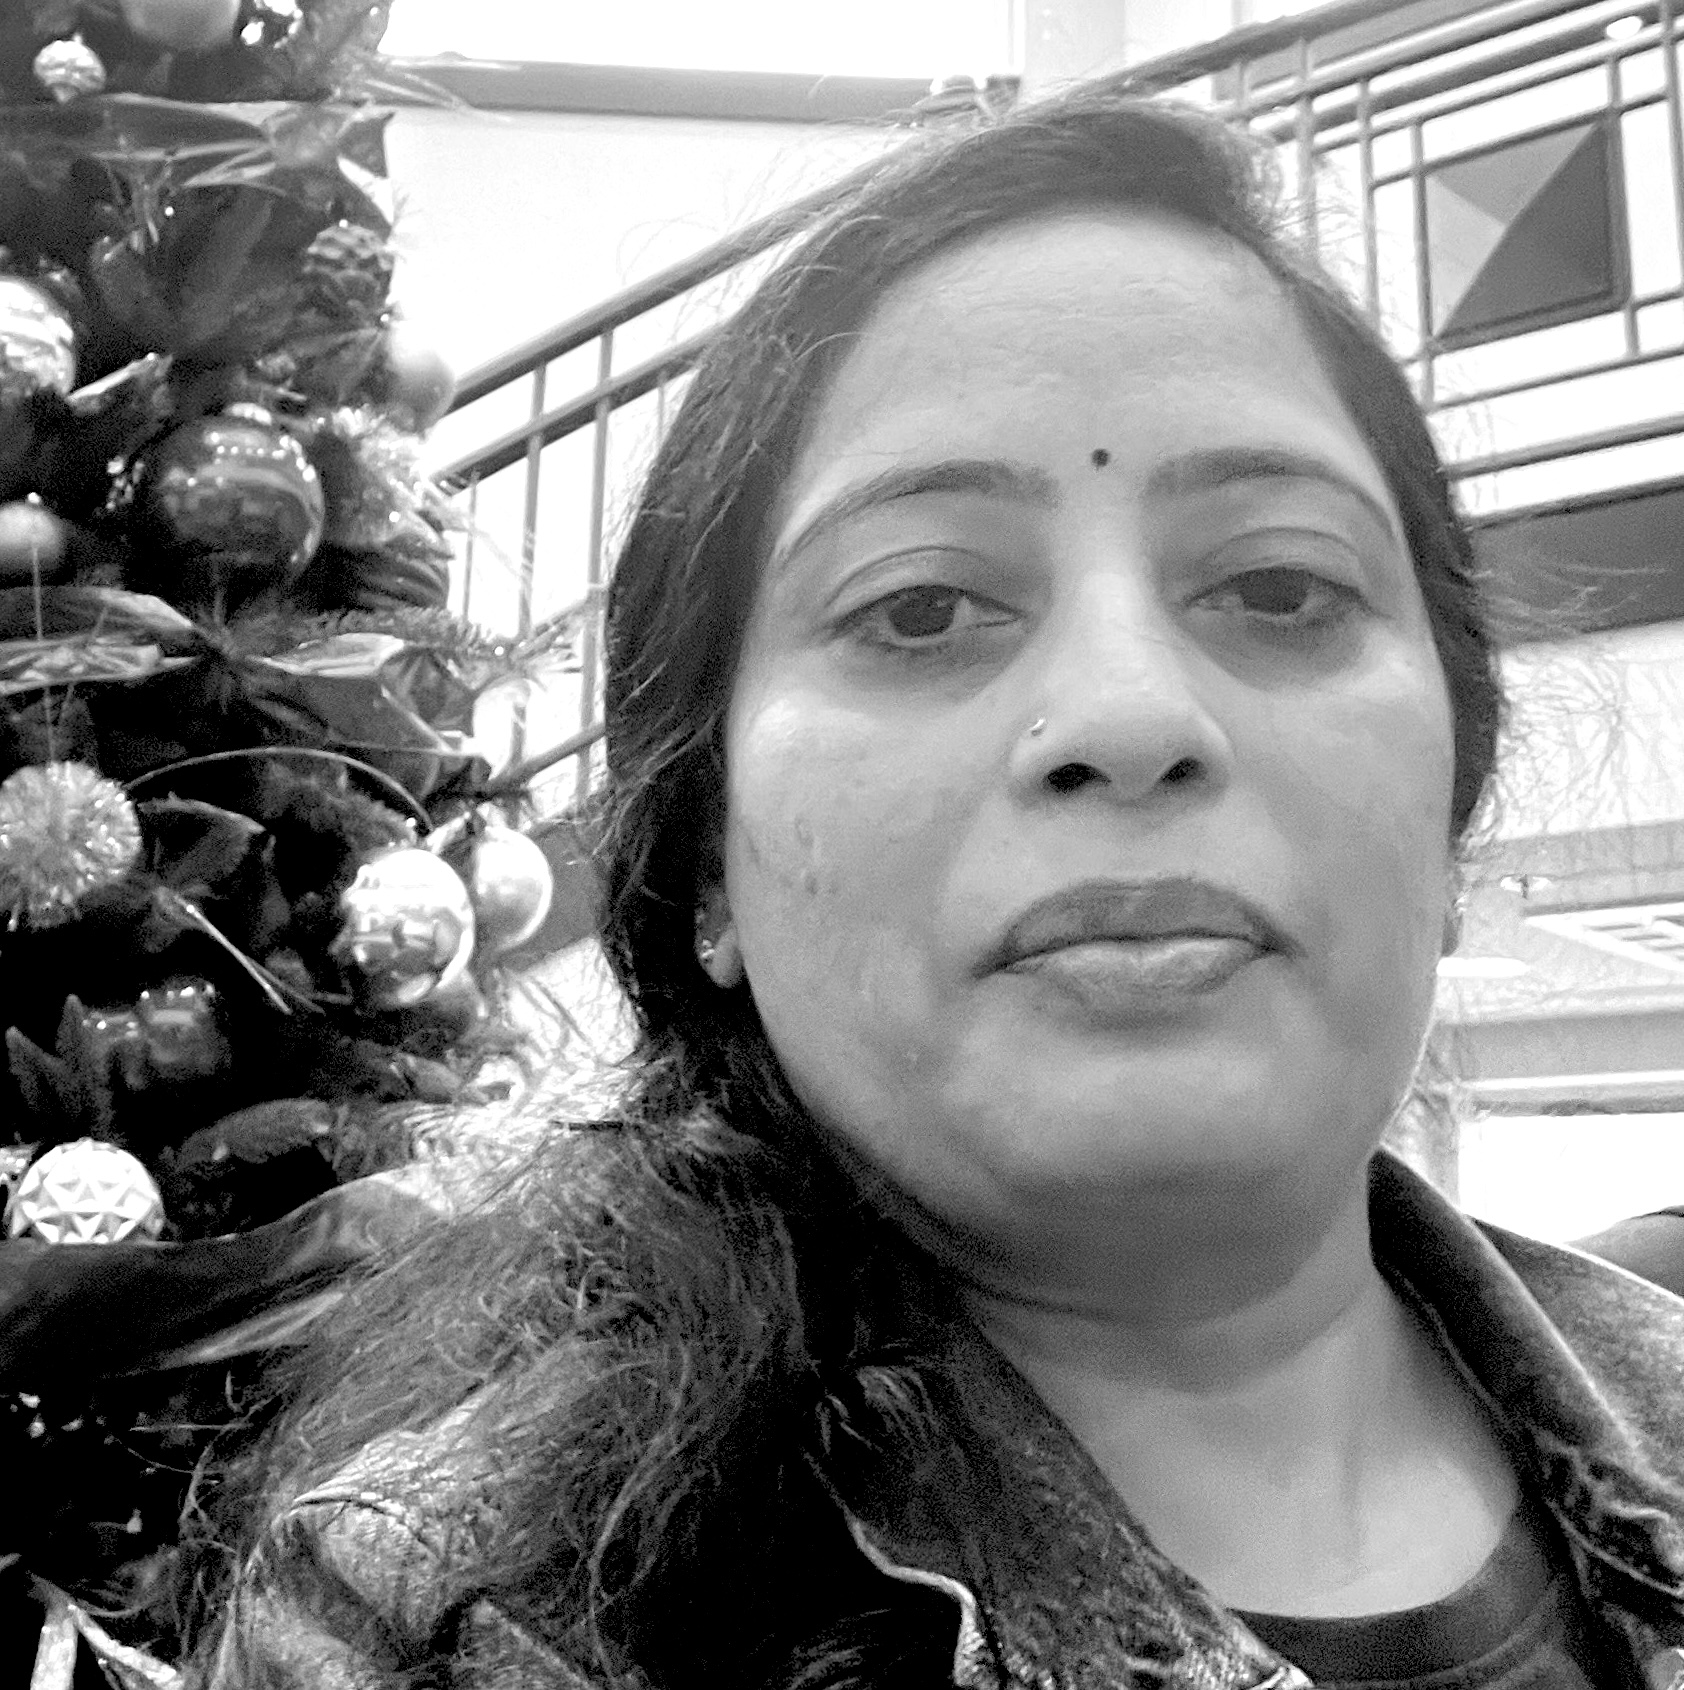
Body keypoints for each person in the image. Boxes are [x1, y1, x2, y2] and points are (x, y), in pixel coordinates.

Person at [192, 86, 1684, 1690]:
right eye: (919, 609)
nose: (1128, 716)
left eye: (1279, 585)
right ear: (709, 865)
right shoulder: (458, 1629)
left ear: (1450, 816)